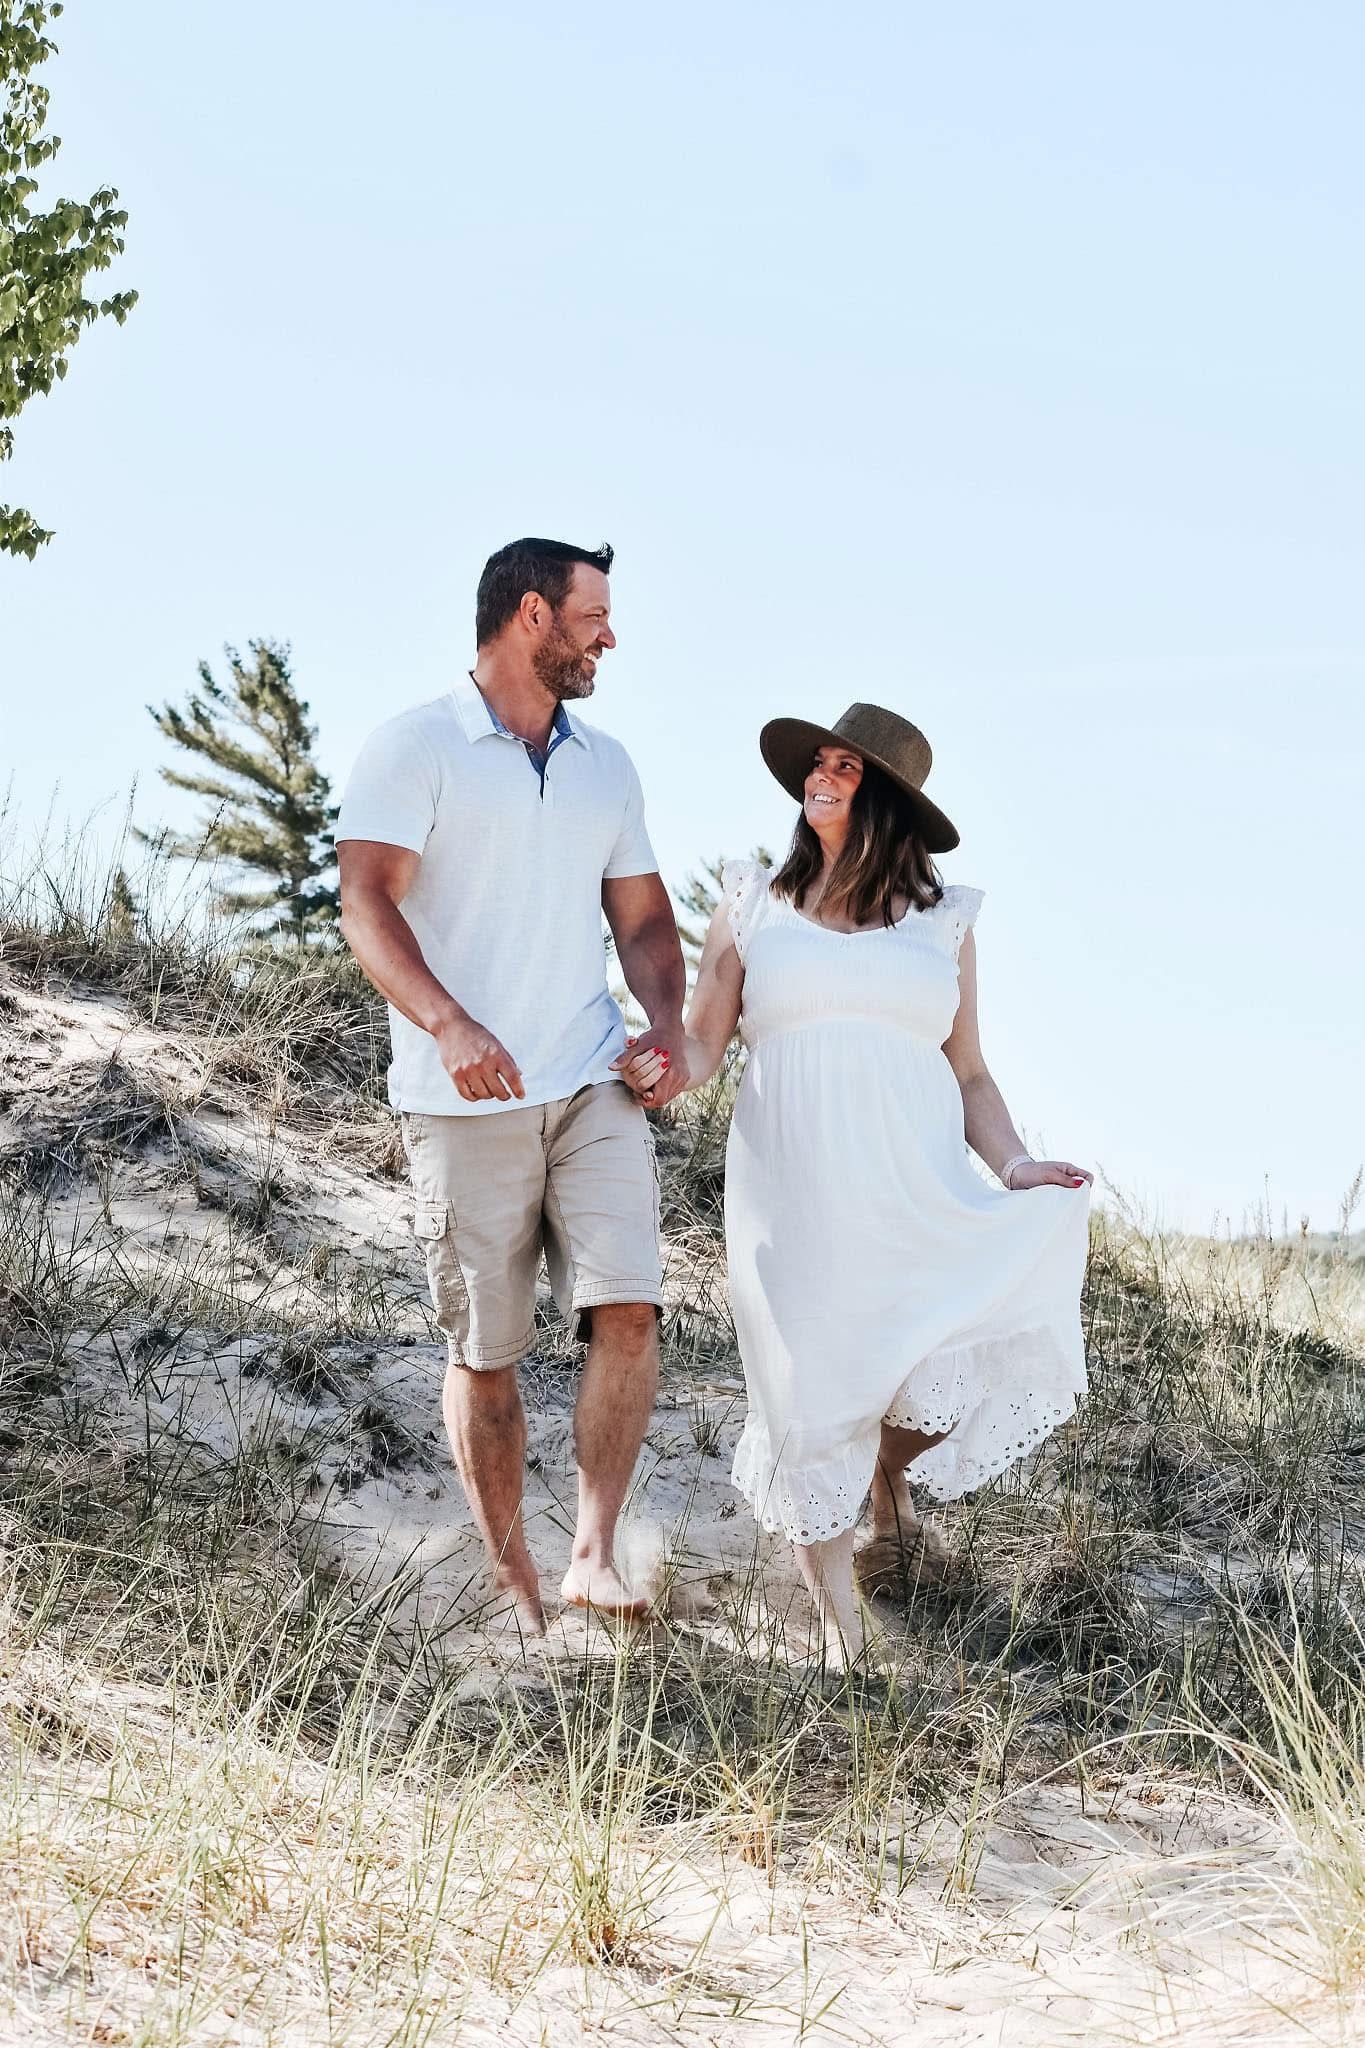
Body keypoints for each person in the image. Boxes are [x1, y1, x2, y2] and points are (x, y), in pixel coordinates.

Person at [616, 703, 1091, 1664]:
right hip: (789, 1191)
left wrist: (1014, 1165)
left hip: (910, 1187)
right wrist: (664, 1068)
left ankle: (886, 1481)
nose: (821, 778)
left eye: (846, 767)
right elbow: (704, 1039)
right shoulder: (752, 905)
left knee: (927, 1384)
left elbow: (968, 1073)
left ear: (888, 802)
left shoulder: (941, 924)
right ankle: (840, 1631)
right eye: (818, 763)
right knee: (805, 1391)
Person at [336, 538, 688, 1639]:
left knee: (628, 1306)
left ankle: (592, 1552)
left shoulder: (607, 766)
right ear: (531, 615)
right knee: (486, 1351)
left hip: (590, 1077)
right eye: (594, 617)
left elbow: (642, 918)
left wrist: (668, 1022)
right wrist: (447, 1023)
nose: (610, 637)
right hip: (460, 1099)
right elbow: (365, 903)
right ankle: (510, 1579)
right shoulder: (416, 745)